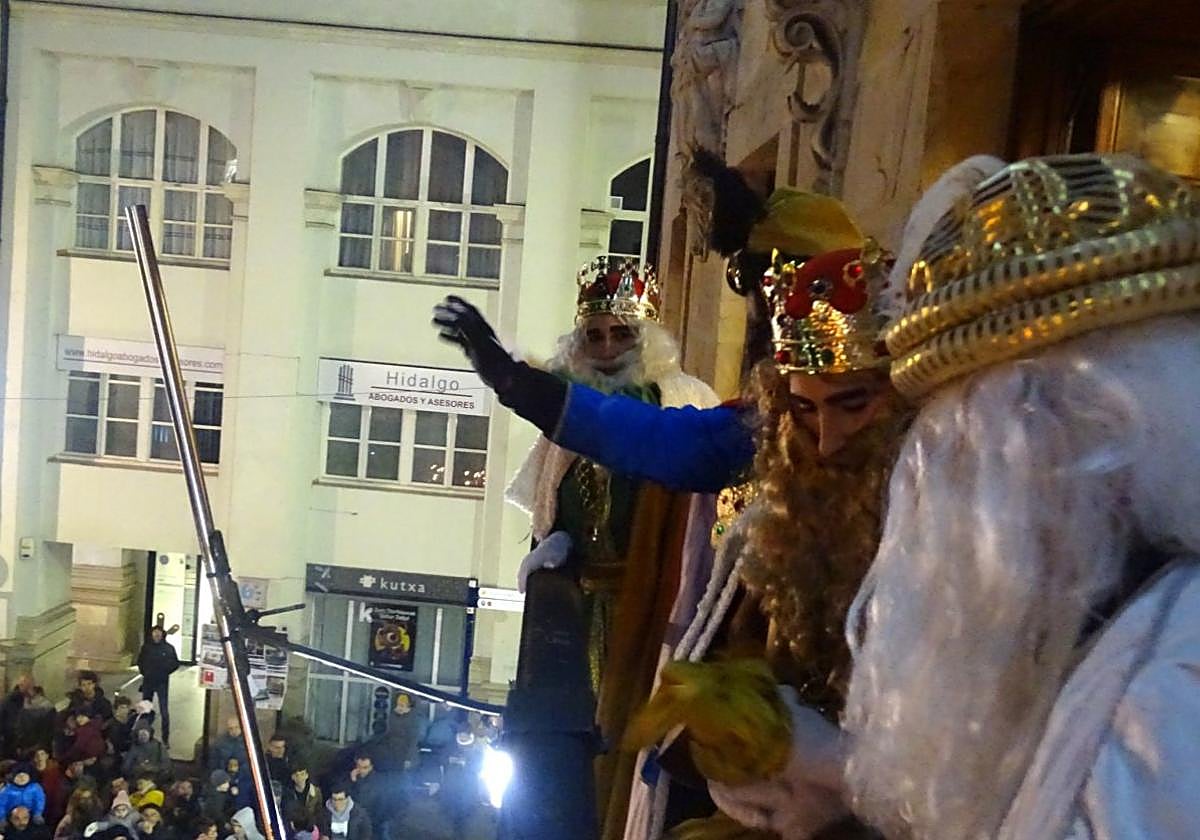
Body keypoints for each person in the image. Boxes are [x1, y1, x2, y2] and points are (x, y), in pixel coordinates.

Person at [714, 153, 1200, 837]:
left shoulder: (1171, 684)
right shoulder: (1094, 607)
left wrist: (842, 787)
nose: (937, 478)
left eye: (948, 437)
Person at [135, 627, 179, 750]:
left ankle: (165, 739)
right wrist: (145, 672)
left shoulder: (168, 648)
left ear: (162, 635)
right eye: (155, 634)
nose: (157, 636)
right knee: (145, 710)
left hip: (161, 682)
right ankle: (143, 735)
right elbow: (140, 661)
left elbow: (175, 663)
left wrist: (164, 670)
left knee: (164, 711)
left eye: (158, 634)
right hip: (148, 681)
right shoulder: (146, 648)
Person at [280, 763, 321, 829]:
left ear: (307, 775)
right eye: (297, 775)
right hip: (294, 828)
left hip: (311, 827)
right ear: (292, 777)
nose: (300, 778)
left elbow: (319, 811)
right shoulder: (287, 794)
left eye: (302, 774)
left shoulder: (316, 791)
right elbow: (286, 813)